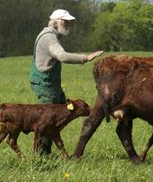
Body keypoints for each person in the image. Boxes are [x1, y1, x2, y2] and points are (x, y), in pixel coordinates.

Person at [29, 8, 103, 154]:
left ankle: (51, 149)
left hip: (50, 83)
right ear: (56, 22)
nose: (68, 24)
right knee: (48, 120)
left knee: (62, 112)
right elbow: (61, 56)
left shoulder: (48, 34)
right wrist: (85, 58)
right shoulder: (49, 37)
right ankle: (42, 156)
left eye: (69, 22)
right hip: (46, 83)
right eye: (65, 21)